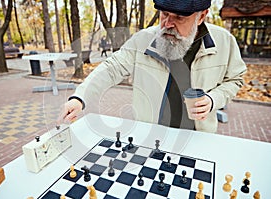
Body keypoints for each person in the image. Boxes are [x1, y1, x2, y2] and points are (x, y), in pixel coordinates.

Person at [57, 0, 247, 133]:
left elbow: (235, 79)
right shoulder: (143, 40)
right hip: (149, 134)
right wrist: (80, 98)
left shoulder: (224, 42)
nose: (167, 24)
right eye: (164, 14)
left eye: (179, 17)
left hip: (198, 137)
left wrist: (214, 99)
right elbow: (112, 67)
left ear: (201, 16)